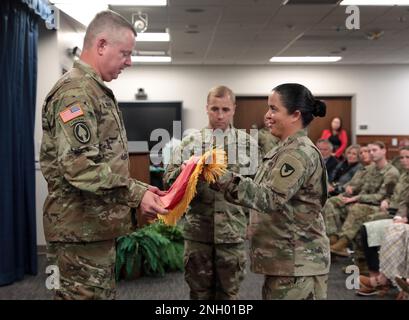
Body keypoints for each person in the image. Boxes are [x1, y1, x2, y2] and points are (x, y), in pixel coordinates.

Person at [40, 10, 168, 300]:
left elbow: (103, 161)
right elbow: (80, 166)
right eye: (125, 53)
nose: (129, 61)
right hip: (78, 234)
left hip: (91, 230)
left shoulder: (93, 90)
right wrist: (136, 194)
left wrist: (143, 189)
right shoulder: (75, 92)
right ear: (101, 45)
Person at [212, 83, 330, 299]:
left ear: (295, 115)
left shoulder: (297, 154)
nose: (268, 115)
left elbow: (268, 198)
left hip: (297, 264)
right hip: (286, 261)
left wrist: (220, 176)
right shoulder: (284, 148)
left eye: (274, 109)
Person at [163, 85, 259, 300]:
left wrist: (254, 224)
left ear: (234, 109)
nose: (220, 115)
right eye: (215, 109)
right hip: (198, 231)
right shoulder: (191, 142)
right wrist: (186, 169)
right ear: (206, 108)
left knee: (229, 294)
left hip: (232, 232)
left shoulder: (249, 145)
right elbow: (168, 180)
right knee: (199, 294)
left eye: (225, 109)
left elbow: (258, 191)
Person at [328, 141, 399, 257]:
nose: (371, 153)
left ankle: (343, 241)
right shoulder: (370, 169)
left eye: (374, 150)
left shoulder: (391, 172)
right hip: (363, 202)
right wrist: (349, 190)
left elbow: (381, 196)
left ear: (384, 150)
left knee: (357, 209)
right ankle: (333, 238)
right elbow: (358, 186)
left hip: (379, 206)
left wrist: (357, 197)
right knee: (332, 202)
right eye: (369, 151)